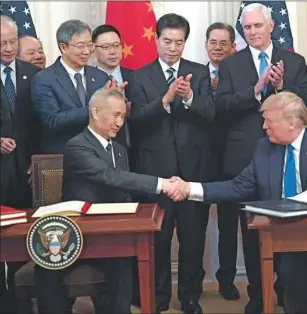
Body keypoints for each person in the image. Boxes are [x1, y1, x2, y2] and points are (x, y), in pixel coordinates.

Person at [164, 91, 307, 314]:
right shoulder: (265, 148)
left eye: (268, 121)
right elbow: (238, 186)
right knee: (290, 270)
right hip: (299, 239)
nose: (263, 127)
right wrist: (189, 188)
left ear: (292, 123)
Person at [34, 87, 181, 314]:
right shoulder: (77, 145)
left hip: (113, 231)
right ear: (95, 111)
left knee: (124, 257)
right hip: (81, 233)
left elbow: (124, 189)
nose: (120, 122)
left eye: (123, 116)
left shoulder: (120, 150)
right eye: (115, 115)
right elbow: (109, 176)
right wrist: (162, 184)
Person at [214, 3, 307, 311]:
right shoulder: (231, 65)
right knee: (253, 233)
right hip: (246, 159)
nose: (253, 32)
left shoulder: (293, 60)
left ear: (272, 26)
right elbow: (222, 107)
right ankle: (258, 297)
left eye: (258, 26)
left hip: (286, 158)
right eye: (247, 28)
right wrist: (256, 90)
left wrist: (283, 89)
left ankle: (288, 293)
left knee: (289, 229)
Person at [130, 13, 216, 314]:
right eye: (167, 41)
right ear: (156, 39)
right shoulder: (140, 76)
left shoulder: (199, 73)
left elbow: (211, 114)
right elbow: (136, 121)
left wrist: (190, 96)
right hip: (155, 172)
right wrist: (165, 100)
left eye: (179, 42)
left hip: (194, 171)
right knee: (159, 241)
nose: (172, 48)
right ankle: (159, 296)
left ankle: (191, 298)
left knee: (193, 240)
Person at [0, 15, 41, 314]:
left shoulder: (33, 73)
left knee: (23, 236)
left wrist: (38, 161)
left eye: (12, 41)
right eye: (1, 43)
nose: (8, 48)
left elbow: (42, 124)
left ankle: (20, 301)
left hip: (26, 171)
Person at [32, 19, 122, 154]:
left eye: (90, 45)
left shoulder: (101, 77)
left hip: (99, 155)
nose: (87, 51)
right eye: (80, 46)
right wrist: (97, 108)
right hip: (63, 157)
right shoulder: (44, 79)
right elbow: (53, 121)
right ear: (63, 47)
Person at [203, 21, 241, 300]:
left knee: (230, 224)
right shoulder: (193, 74)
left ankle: (227, 280)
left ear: (233, 47)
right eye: (212, 42)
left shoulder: (241, 74)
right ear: (206, 45)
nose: (217, 48)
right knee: (198, 225)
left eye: (223, 43)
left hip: (235, 160)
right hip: (202, 161)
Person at [92, 24, 134, 152]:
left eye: (116, 46)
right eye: (106, 47)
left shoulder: (136, 76)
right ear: (93, 50)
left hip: (136, 148)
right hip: (101, 149)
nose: (112, 51)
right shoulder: (87, 80)